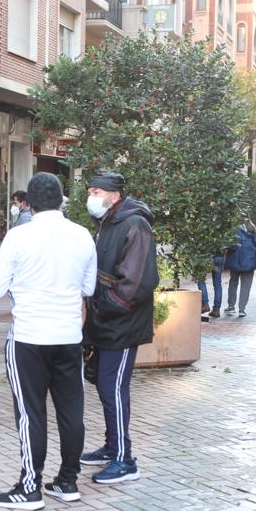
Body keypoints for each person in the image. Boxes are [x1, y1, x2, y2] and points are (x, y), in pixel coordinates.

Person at [0, 173, 97, 510]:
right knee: (71, 411)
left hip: (29, 338)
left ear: (29, 204)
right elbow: (89, 289)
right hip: (68, 336)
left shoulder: (19, 237)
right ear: (62, 199)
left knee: (30, 413)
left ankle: (29, 486)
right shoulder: (82, 235)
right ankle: (67, 480)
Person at [82, 172, 159, 484]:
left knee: (113, 388)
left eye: (97, 191)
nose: (92, 196)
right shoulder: (110, 221)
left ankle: (125, 459)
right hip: (106, 320)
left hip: (122, 323)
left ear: (114, 195)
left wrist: (106, 306)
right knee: (103, 384)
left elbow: (137, 282)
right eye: (90, 190)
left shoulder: (135, 224)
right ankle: (113, 446)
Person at [224, 219, 256, 316]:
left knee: (233, 283)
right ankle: (242, 309)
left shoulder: (233, 231)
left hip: (235, 261)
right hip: (249, 262)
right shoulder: (254, 230)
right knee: (246, 286)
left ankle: (231, 306)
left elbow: (230, 246)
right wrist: (253, 258)